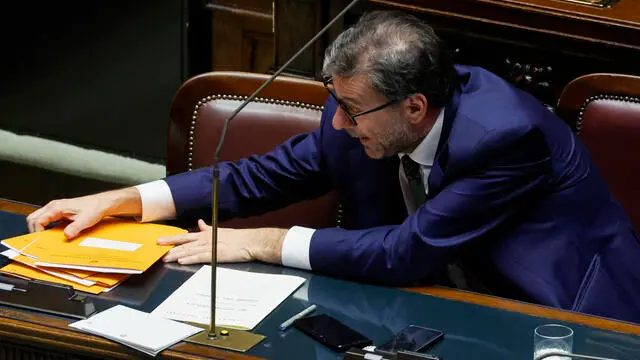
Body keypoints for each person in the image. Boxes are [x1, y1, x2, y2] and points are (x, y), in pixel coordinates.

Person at [26, 11, 640, 323]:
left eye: (352, 111)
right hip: (422, 304)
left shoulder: (505, 136)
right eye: (336, 103)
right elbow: (253, 177)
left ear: (416, 107)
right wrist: (123, 200)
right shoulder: (360, 108)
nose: (338, 125)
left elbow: (407, 251)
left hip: (554, 315)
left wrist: (260, 242)